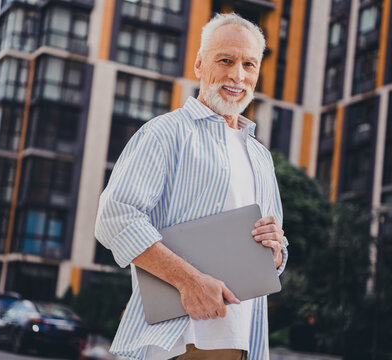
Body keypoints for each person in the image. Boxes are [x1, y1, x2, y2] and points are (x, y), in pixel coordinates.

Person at [95, 12, 288, 360]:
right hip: (177, 340)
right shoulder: (164, 133)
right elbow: (115, 217)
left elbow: (277, 250)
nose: (237, 75)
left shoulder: (260, 156)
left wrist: (276, 252)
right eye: (225, 60)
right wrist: (189, 281)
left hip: (243, 342)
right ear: (200, 63)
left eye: (249, 64)